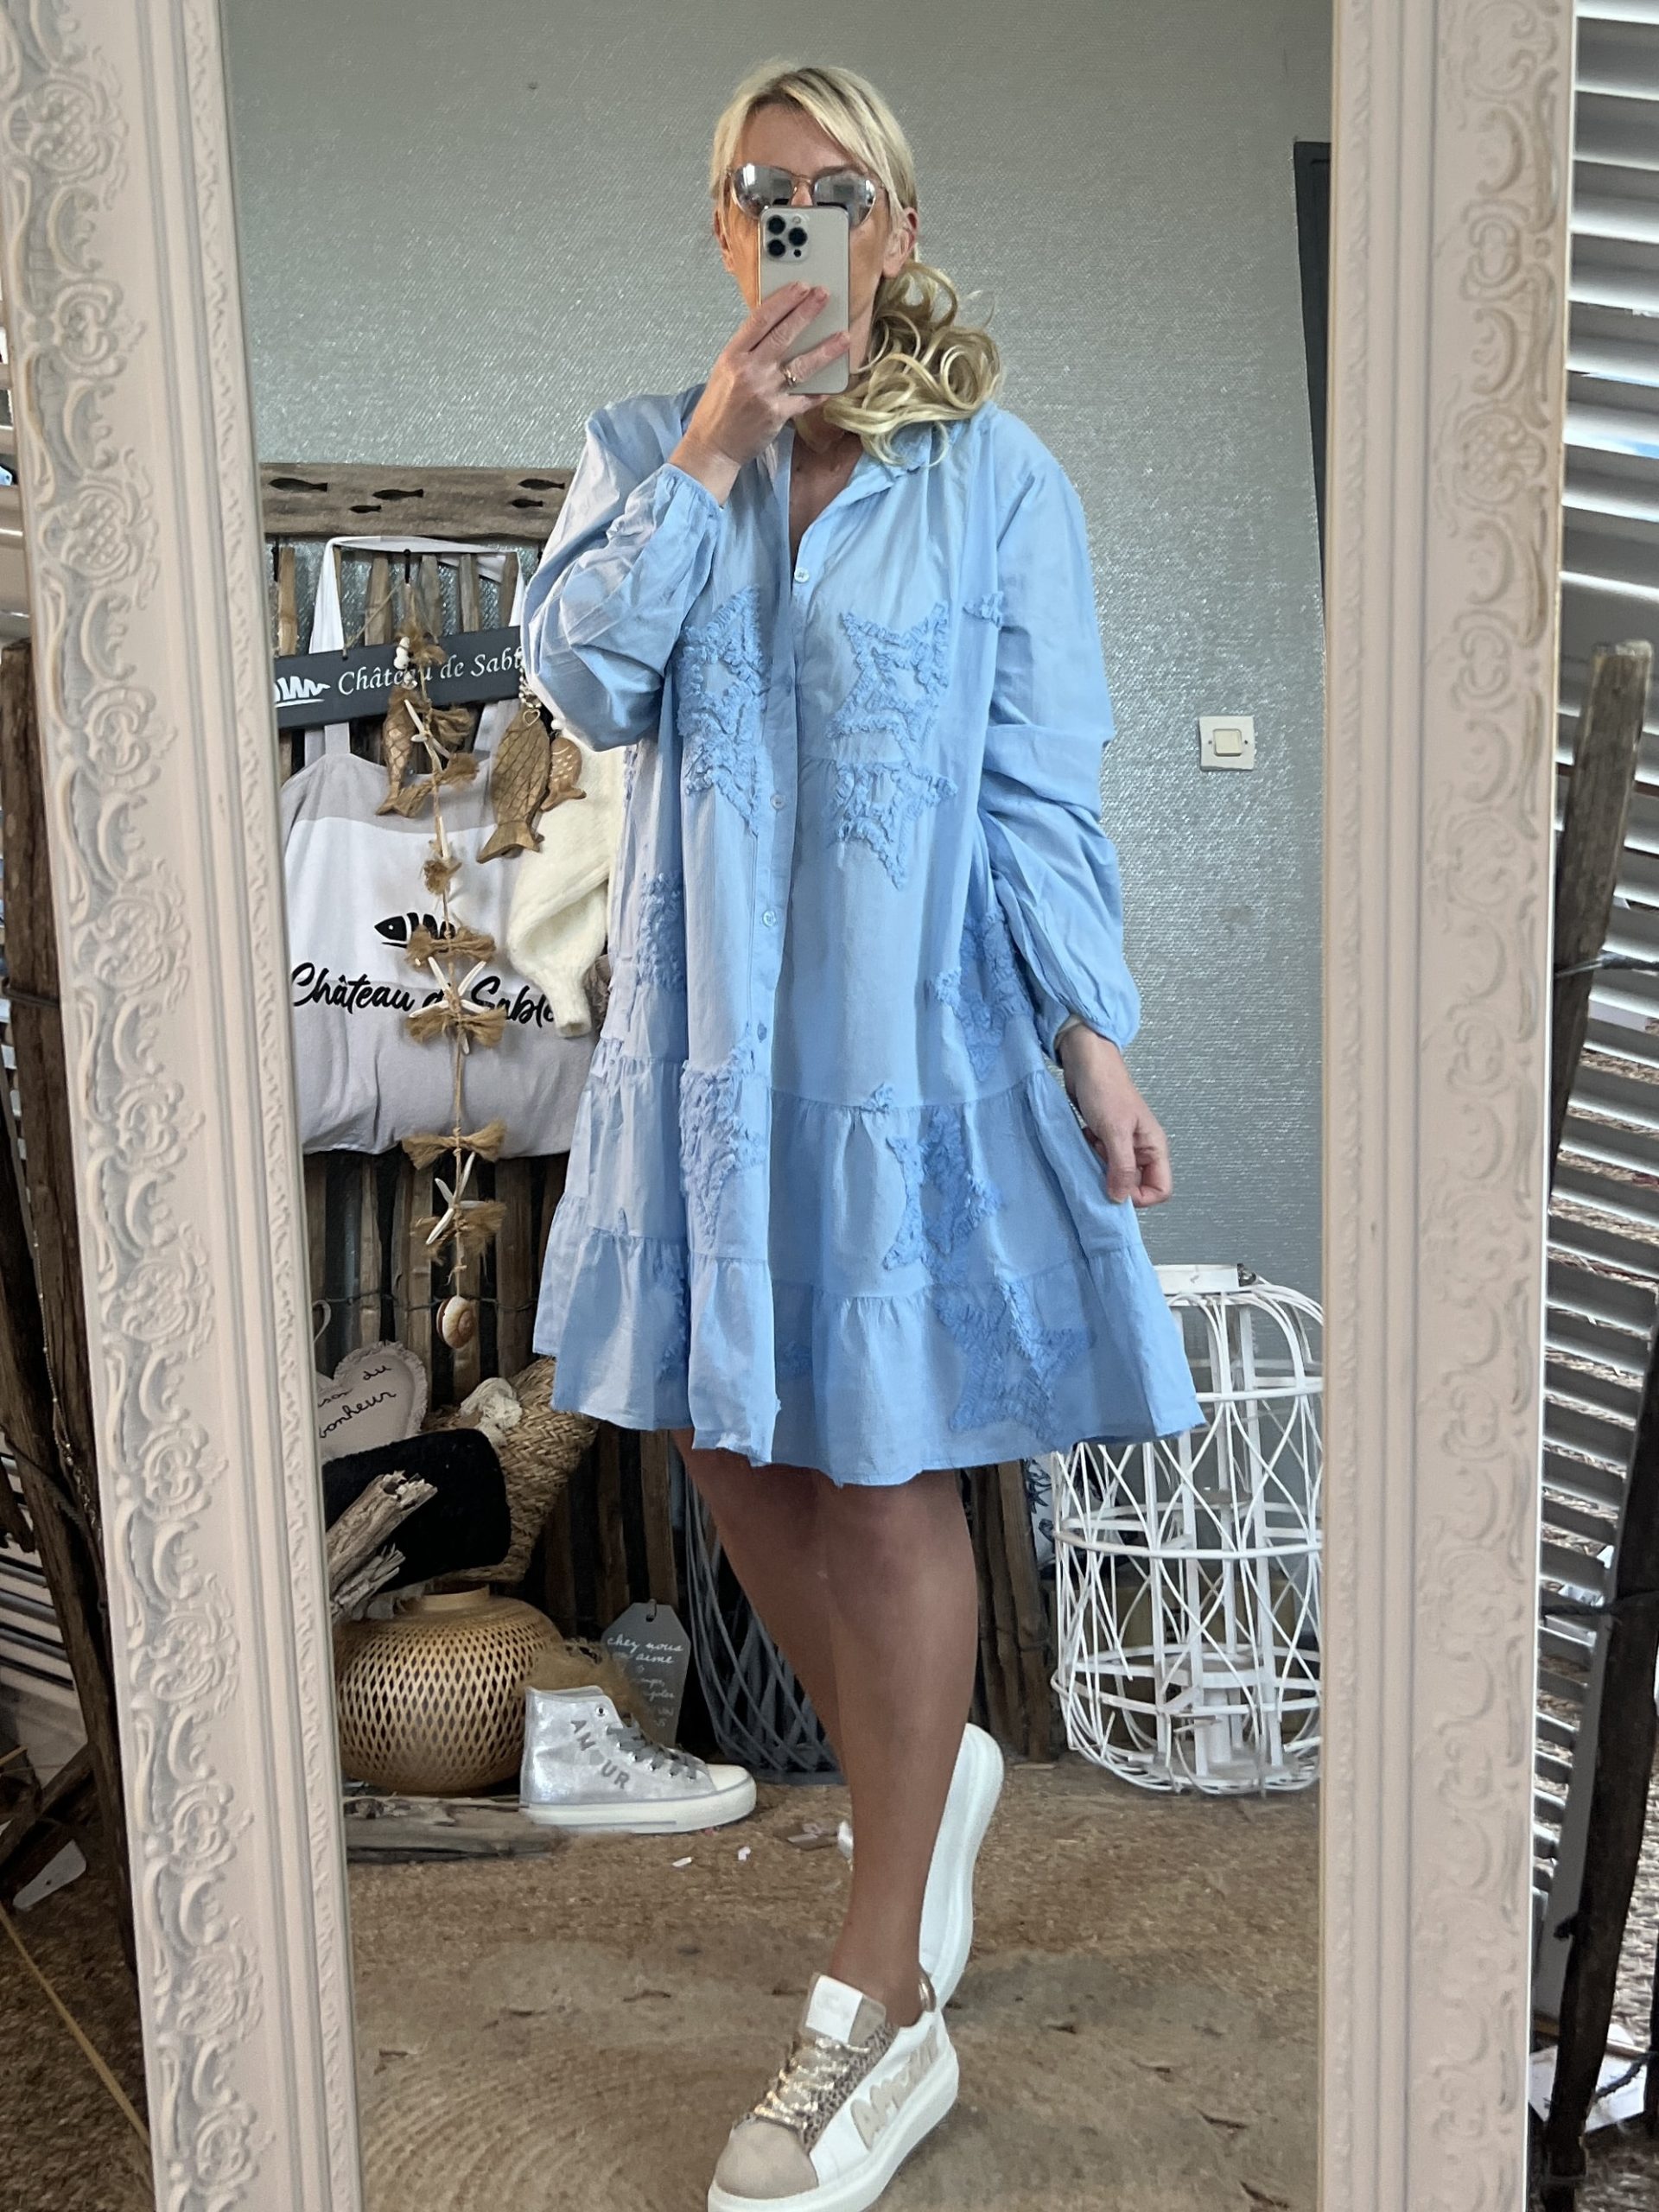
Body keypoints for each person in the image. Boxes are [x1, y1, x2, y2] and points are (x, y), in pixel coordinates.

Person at [520, 57, 1204, 2212]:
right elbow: (582, 685)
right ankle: (937, 1776)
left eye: (840, 190)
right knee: (728, 1448)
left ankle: (875, 1993)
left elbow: (1038, 787)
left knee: (888, 1469)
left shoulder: (1001, 480)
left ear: (899, 231)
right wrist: (718, 444)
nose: (799, 217)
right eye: (762, 189)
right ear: (725, 231)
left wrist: (1094, 1038)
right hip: (706, 1060)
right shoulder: (646, 448)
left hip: (909, 1044)